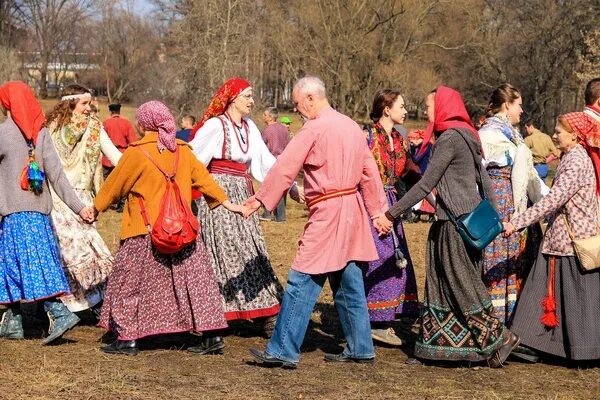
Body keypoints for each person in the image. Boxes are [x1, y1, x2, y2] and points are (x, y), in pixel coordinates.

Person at [246, 76, 390, 368]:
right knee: (349, 280)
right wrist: (377, 212)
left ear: (311, 98)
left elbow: (285, 167)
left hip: (328, 212)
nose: (298, 111)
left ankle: (283, 349)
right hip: (354, 211)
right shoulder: (351, 126)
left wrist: (259, 200)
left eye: (299, 104)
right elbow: (369, 172)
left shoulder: (313, 129)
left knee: (302, 278)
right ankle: (361, 347)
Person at [93, 101, 244, 356]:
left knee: (130, 283)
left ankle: (128, 338)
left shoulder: (137, 152)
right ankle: (211, 334)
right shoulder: (182, 150)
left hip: (145, 229)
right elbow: (205, 181)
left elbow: (114, 187)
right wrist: (229, 203)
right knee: (197, 283)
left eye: (139, 121)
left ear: (144, 124)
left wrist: (95, 208)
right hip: (184, 231)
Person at [384, 86, 518, 367]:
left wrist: (392, 213)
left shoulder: (449, 139)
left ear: (443, 107)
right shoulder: (469, 135)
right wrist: (493, 216)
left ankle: (501, 337)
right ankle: (436, 348)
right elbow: (485, 181)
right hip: (465, 223)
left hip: (455, 224)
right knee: (440, 283)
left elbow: (425, 184)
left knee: (462, 284)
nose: (427, 111)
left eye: (430, 106)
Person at [189, 78, 290, 336]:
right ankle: (212, 312)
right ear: (233, 98)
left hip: (244, 194)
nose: (252, 101)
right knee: (220, 249)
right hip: (218, 196)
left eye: (252, 96)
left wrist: (289, 185)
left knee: (251, 248)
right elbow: (192, 160)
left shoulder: (250, 127)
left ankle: (266, 310)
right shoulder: (215, 126)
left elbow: (266, 162)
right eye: (247, 96)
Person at [0, 81, 95, 344]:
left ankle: (59, 312)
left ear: (6, 103)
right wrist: (80, 207)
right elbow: (58, 177)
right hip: (41, 217)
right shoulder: (41, 134)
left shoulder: (4, 134)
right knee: (15, 266)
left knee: (29, 266)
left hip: (16, 216)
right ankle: (13, 322)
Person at [505, 112, 600, 362]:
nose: (554, 135)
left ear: (575, 136)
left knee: (577, 296)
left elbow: (553, 201)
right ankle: (538, 343)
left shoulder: (576, 160)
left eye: (559, 131)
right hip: (563, 240)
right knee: (547, 291)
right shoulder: (571, 156)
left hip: (572, 242)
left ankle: (583, 350)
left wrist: (516, 223)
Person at [45, 85, 122, 318]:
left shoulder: (95, 127)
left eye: (91, 104)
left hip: (84, 197)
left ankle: (93, 301)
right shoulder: (51, 128)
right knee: (67, 251)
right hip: (57, 197)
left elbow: (116, 157)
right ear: (70, 104)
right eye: (84, 104)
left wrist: (139, 168)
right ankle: (68, 304)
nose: (90, 108)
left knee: (88, 249)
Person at [478, 83, 547, 324]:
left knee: (518, 264)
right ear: (507, 105)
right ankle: (495, 322)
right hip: (498, 211)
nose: (522, 110)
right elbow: (479, 174)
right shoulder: (487, 136)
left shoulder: (513, 136)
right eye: (519, 105)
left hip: (517, 210)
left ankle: (516, 322)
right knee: (497, 263)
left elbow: (531, 178)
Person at [361, 89, 419, 346]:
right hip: (371, 204)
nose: (406, 111)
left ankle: (387, 318)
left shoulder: (400, 139)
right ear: (387, 109)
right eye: (402, 105)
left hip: (392, 204)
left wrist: (434, 197)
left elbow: (411, 173)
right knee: (378, 259)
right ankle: (374, 320)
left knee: (396, 259)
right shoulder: (367, 137)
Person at [260, 107, 291, 222]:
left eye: (265, 114)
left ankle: (267, 213)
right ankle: (280, 216)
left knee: (269, 188)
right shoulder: (284, 129)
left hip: (271, 162)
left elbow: (261, 147)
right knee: (281, 189)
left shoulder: (267, 131)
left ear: (270, 117)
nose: (263, 116)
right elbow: (289, 145)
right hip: (284, 161)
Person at [407, 129, 435, 223]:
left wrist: (411, 153)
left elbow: (416, 159)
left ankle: (431, 214)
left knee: (428, 194)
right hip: (422, 172)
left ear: (418, 139)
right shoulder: (421, 146)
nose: (411, 144)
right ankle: (418, 213)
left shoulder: (426, 147)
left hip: (427, 172)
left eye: (412, 141)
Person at [102, 103, 137, 174]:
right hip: (122, 156)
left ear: (110, 112)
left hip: (107, 158)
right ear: (119, 111)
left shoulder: (106, 123)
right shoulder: (127, 123)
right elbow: (133, 141)